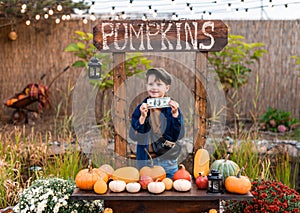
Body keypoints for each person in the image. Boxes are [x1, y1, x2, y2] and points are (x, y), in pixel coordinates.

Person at [129, 67, 185, 178]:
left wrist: (175, 116)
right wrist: (142, 118)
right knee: (147, 192)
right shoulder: (141, 108)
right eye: (151, 84)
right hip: (146, 160)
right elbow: (133, 136)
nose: (154, 88)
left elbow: (179, 135)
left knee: (170, 190)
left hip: (168, 160)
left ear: (167, 88)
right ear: (146, 86)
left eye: (159, 85)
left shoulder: (172, 107)